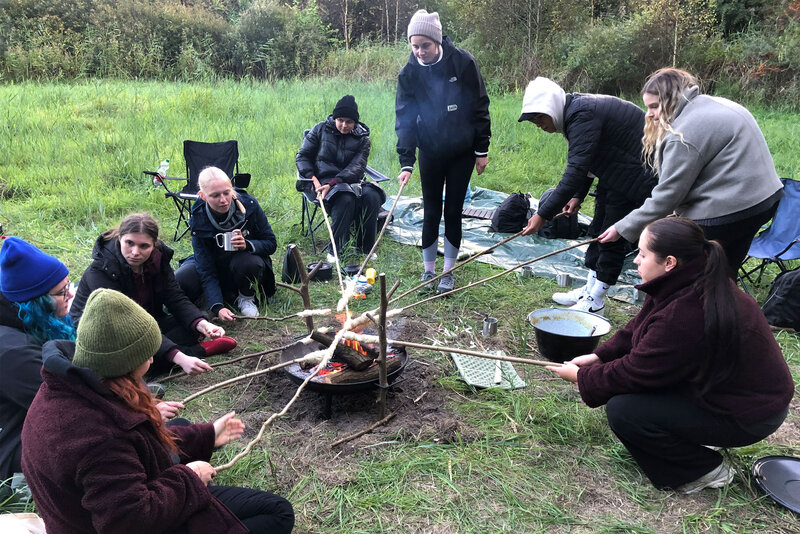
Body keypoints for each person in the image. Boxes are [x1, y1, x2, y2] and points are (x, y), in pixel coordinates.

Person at [548, 217, 793, 493]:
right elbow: (638, 329)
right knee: (638, 400)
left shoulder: (687, 312)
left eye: (642, 254)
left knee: (626, 411)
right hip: (725, 390)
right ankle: (692, 436)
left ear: (670, 262)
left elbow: (635, 372)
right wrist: (599, 357)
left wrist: (584, 378)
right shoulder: (686, 280)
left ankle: (703, 470)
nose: (637, 261)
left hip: (749, 413)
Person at [21, 288, 295, 533]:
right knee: (277, 513)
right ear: (124, 362)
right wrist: (191, 478)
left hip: (84, 514)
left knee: (181, 429)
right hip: (125, 522)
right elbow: (129, 520)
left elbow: (140, 443)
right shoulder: (97, 437)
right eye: (146, 354)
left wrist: (208, 435)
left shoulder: (68, 385)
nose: (152, 359)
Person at [599, 68, 784, 276]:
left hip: (731, 209)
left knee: (686, 271)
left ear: (669, 101)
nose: (649, 114)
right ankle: (723, 300)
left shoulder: (683, 134)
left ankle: (687, 301)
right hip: (764, 200)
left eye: (654, 106)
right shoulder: (710, 103)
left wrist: (622, 228)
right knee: (724, 269)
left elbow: (667, 196)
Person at [519, 77, 658, 316]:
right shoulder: (576, 112)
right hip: (614, 171)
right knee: (597, 230)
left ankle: (597, 300)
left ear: (551, 107)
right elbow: (587, 158)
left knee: (613, 235)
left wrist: (543, 214)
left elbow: (576, 168)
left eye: (540, 118)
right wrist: (577, 196)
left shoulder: (581, 114)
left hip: (636, 174)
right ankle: (590, 288)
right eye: (534, 121)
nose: (539, 125)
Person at [395, 9, 491, 294]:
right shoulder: (409, 73)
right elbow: (404, 118)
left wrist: (481, 150)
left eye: (425, 45)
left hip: (461, 151)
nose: (420, 52)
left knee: (453, 210)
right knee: (431, 209)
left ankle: (448, 273)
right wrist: (406, 162)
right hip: (430, 151)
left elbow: (480, 106)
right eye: (415, 46)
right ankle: (428, 272)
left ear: (437, 41)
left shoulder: (462, 63)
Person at [70, 213, 236, 377]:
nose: (135, 252)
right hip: (107, 334)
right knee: (131, 359)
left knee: (193, 323)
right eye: (129, 243)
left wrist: (202, 324)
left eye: (144, 246)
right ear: (120, 238)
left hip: (148, 320)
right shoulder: (101, 269)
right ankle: (198, 351)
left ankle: (172, 355)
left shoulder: (158, 258)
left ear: (154, 245)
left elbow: (174, 296)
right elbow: (128, 325)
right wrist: (178, 357)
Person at [0, 237, 75, 491]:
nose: (71, 295)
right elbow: (69, 404)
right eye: (61, 292)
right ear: (35, 301)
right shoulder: (13, 352)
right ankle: (23, 488)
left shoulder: (27, 319)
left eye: (68, 285)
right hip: (11, 450)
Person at [176, 167, 278, 320]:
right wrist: (217, 306)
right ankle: (213, 298)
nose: (223, 200)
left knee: (248, 262)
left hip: (243, 264)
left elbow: (271, 243)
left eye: (226, 193)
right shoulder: (198, 217)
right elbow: (205, 266)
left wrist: (248, 245)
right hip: (215, 264)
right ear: (202, 196)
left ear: (232, 189)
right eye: (215, 195)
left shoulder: (249, 205)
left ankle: (246, 298)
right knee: (181, 278)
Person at [296, 94, 385, 263]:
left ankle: (365, 248)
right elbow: (302, 156)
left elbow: (357, 167)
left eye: (349, 122)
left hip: (350, 180)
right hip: (320, 182)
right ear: (335, 117)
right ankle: (336, 250)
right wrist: (313, 179)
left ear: (355, 123)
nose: (344, 125)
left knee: (372, 196)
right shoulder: (320, 129)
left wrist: (334, 182)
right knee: (345, 198)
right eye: (341, 120)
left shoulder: (363, 139)